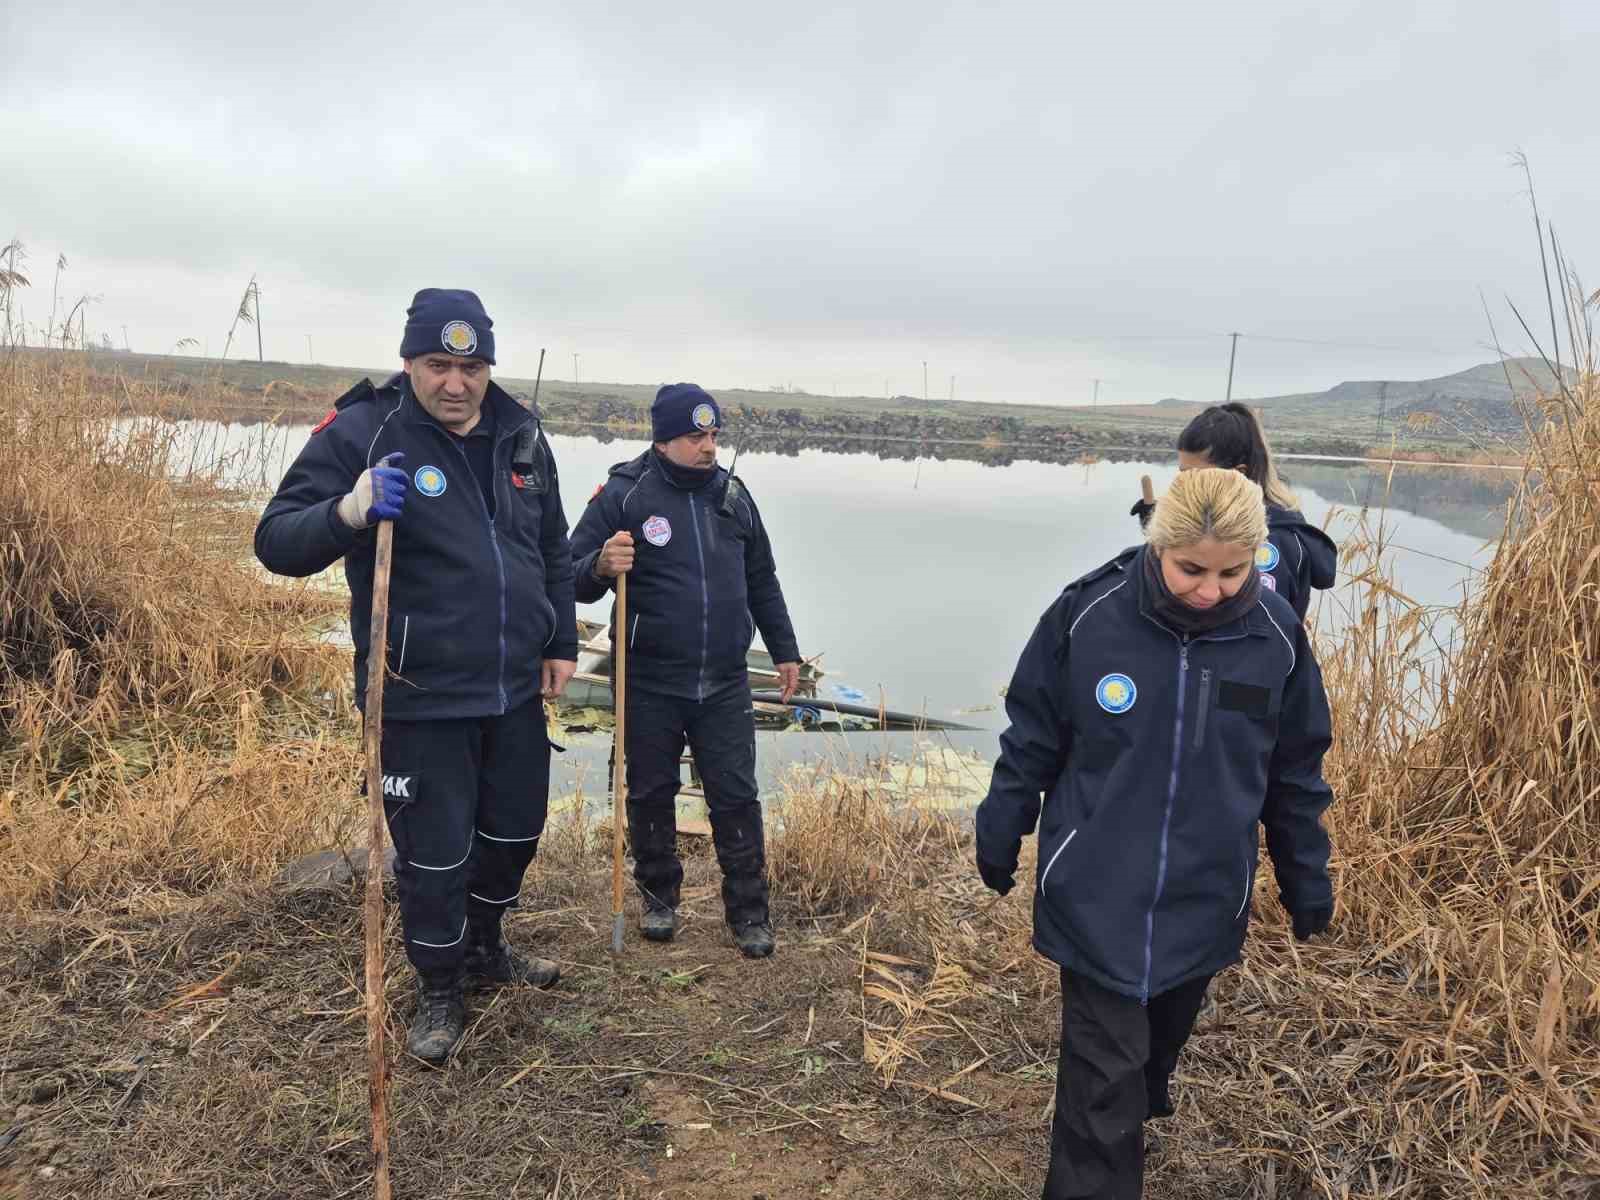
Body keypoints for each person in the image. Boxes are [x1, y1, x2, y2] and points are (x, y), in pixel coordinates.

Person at [978, 467, 1335, 1199]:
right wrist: (1002, 825)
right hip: (1096, 891)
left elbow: (1294, 774)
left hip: (1203, 898)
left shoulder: (1276, 639)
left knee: (1148, 1062)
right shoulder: (1088, 614)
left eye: (1232, 572)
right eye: (1191, 570)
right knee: (1101, 1086)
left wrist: (1308, 878)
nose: (1211, 590)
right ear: (1156, 546)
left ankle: (1132, 1109)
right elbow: (1033, 736)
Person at [254, 289, 577, 1064]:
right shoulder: (368, 431)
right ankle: (438, 983)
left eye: (471, 365)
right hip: (417, 691)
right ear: (409, 363)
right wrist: (349, 512)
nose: (457, 383)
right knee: (433, 856)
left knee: (514, 833)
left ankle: (485, 945)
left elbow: (554, 549)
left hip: (512, 690)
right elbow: (276, 541)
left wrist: (559, 638)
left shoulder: (523, 436)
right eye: (439, 364)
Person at [569, 383, 800, 959]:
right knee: (650, 791)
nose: (708, 447)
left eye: (714, 434)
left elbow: (763, 580)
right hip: (649, 678)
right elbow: (566, 573)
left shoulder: (735, 496)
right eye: (696, 436)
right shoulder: (626, 494)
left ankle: (749, 911)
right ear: (664, 438)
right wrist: (599, 565)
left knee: (736, 795)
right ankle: (658, 899)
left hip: (724, 679)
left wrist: (786, 651)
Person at [1132, 403, 1337, 621]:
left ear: (1239, 474)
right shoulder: (1219, 526)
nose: (1186, 485)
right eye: (1183, 474)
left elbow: (1259, 627)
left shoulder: (1266, 541)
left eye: (1198, 476)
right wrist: (1160, 527)